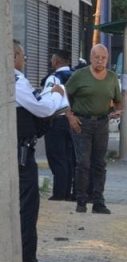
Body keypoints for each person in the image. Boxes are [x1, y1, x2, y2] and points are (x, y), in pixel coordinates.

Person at [13, 40, 66, 262]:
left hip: (15, 151)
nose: (24, 60)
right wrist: (56, 96)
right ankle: (26, 259)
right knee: (27, 205)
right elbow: (42, 109)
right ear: (14, 55)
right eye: (23, 55)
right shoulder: (14, 79)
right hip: (20, 154)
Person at [65, 43, 121, 214]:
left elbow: (118, 101)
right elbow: (63, 95)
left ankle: (98, 201)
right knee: (83, 163)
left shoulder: (112, 78)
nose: (100, 61)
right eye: (97, 57)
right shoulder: (79, 76)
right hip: (82, 123)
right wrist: (70, 116)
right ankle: (81, 200)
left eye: (103, 58)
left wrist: (118, 111)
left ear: (107, 59)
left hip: (102, 123)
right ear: (91, 58)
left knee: (99, 163)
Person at [42, 50, 76, 201]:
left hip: (58, 120)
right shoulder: (77, 76)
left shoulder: (54, 78)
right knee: (70, 158)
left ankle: (59, 193)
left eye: (52, 60)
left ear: (56, 61)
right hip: (75, 123)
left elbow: (48, 100)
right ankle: (68, 192)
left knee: (57, 158)